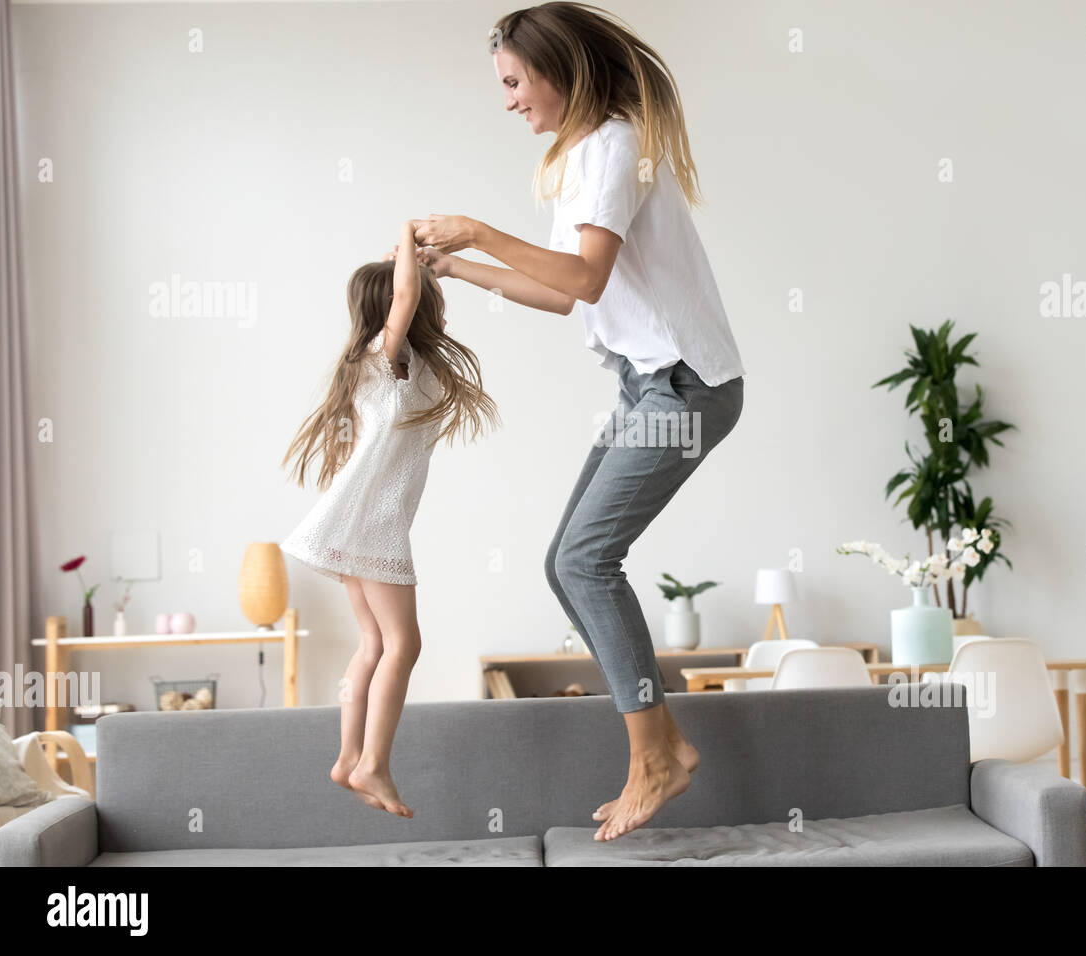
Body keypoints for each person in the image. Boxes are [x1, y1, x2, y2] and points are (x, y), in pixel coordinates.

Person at [411, 2, 745, 841]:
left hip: (687, 387)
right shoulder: (585, 156)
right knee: (565, 566)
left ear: (560, 70)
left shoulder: (619, 145)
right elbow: (562, 291)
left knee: (588, 558)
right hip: (646, 387)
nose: (511, 100)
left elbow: (587, 277)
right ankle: (661, 739)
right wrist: (462, 265)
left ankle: (655, 756)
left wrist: (482, 230)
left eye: (516, 82)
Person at [280, 220, 499, 817]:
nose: (439, 313)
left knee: (374, 643)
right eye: (434, 304)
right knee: (404, 643)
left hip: (354, 526)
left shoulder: (396, 367)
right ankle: (374, 762)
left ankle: (349, 758)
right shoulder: (384, 358)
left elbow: (405, 294)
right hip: (373, 526)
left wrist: (419, 263)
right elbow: (404, 296)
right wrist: (408, 236)